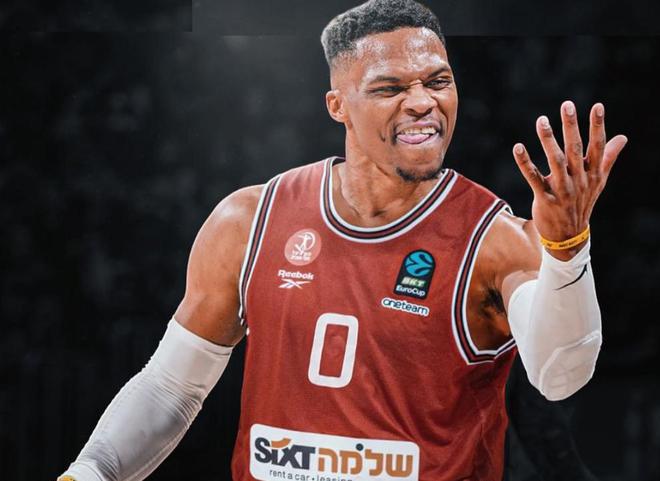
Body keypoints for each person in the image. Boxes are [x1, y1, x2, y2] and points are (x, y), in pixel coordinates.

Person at [57, 1, 627, 480]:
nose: (422, 101)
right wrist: (93, 470)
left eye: (438, 81)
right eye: (390, 87)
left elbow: (560, 375)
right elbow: (170, 388)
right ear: (338, 106)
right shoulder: (250, 220)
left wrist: (567, 250)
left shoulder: (493, 239)